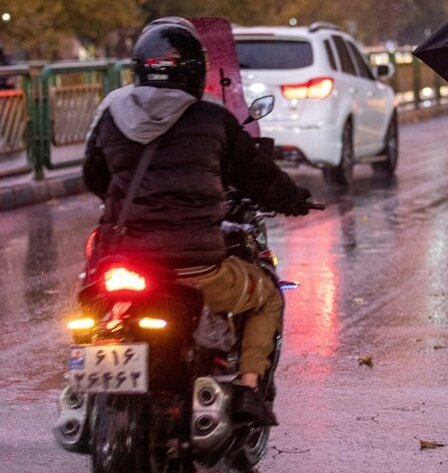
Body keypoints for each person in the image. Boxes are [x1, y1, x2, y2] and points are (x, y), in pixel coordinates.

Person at [82, 18, 313, 426]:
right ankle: (248, 386)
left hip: (124, 261)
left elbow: (94, 176)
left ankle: (81, 395)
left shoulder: (112, 115)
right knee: (267, 294)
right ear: (195, 70)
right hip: (196, 269)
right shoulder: (212, 118)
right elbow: (258, 177)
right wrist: (294, 199)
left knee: (92, 301)